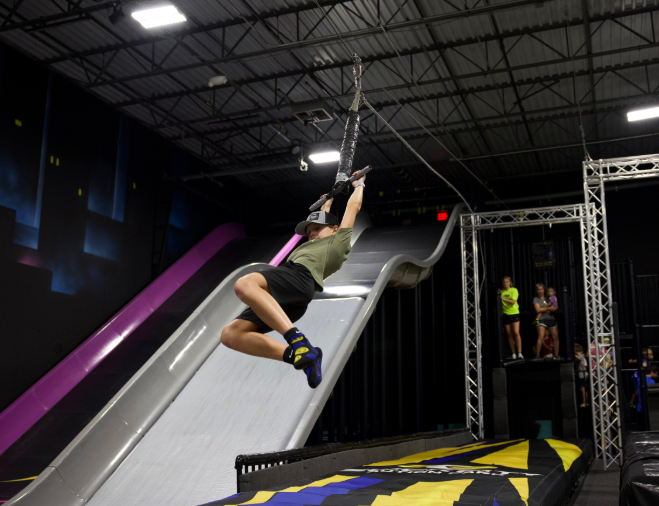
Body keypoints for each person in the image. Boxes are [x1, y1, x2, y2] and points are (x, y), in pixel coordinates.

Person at [220, 171, 367, 389]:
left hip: (299, 278)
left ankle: (297, 340)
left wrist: (359, 185)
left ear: (335, 230)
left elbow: (353, 208)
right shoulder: (315, 243)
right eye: (309, 232)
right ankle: (304, 356)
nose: (312, 234)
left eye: (317, 229)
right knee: (230, 334)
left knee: (244, 284)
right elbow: (322, 221)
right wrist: (326, 205)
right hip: (290, 296)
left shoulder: (338, 242)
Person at [533, 283, 559, 359]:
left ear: (544, 290)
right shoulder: (536, 299)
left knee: (555, 336)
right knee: (541, 336)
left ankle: (556, 355)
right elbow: (538, 310)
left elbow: (555, 307)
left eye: (542, 289)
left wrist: (544, 309)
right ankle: (538, 355)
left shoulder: (549, 298)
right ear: (537, 291)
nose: (540, 291)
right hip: (541, 319)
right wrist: (548, 309)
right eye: (539, 290)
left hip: (551, 318)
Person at [500, 276, 523, 359]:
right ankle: (513, 353)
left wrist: (503, 299)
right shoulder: (501, 291)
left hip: (514, 313)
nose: (505, 284)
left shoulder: (514, 290)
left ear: (510, 283)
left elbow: (513, 301)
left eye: (507, 282)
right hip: (506, 314)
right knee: (509, 334)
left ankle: (519, 352)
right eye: (504, 282)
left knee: (516, 332)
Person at [574, 343, 589, 407]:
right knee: (583, 388)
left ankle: (584, 401)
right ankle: (585, 401)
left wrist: (574, 355)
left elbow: (579, 359)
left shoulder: (581, 355)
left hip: (582, 375)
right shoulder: (582, 355)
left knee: (583, 389)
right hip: (582, 374)